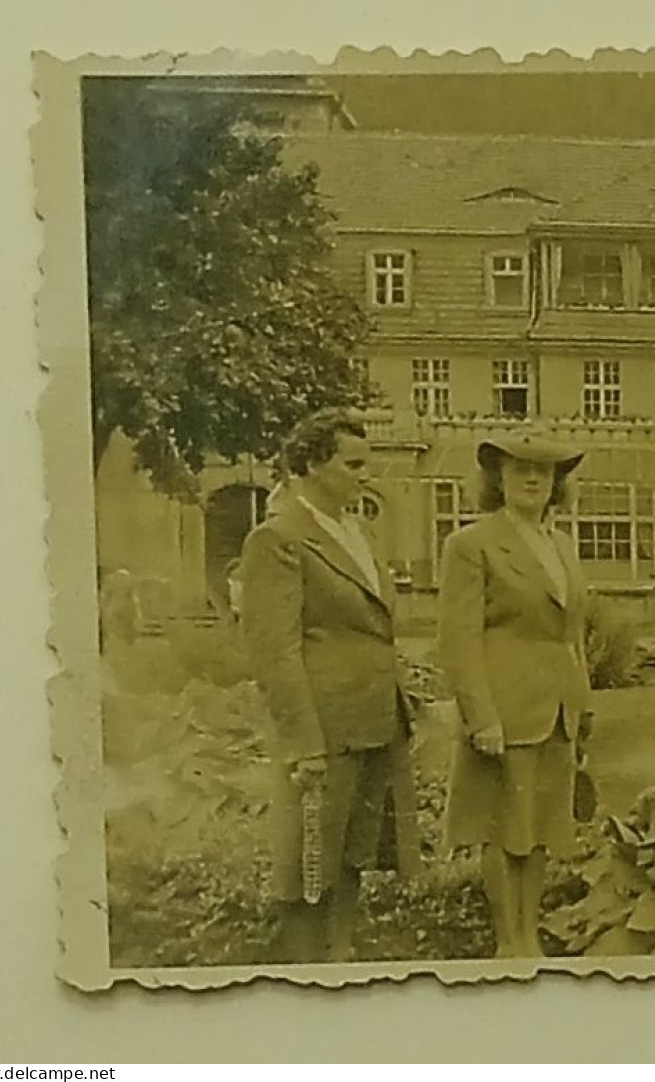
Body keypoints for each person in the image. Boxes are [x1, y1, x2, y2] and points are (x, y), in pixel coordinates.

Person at [238, 408, 419, 964]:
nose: (366, 475)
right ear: (313, 464)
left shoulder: (355, 531)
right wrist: (303, 742)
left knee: (353, 853)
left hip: (374, 719)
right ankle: (305, 974)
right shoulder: (279, 538)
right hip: (325, 727)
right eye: (354, 464)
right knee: (307, 859)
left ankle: (340, 956)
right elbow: (275, 650)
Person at [437, 431, 594, 959]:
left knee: (541, 830)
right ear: (496, 478)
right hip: (504, 710)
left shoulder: (563, 546)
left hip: (557, 712)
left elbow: (571, 634)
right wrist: (480, 716)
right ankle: (509, 944)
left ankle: (532, 941)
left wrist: (583, 705)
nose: (532, 479)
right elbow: (458, 639)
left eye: (544, 472)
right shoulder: (471, 544)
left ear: (557, 486)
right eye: (520, 468)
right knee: (503, 830)